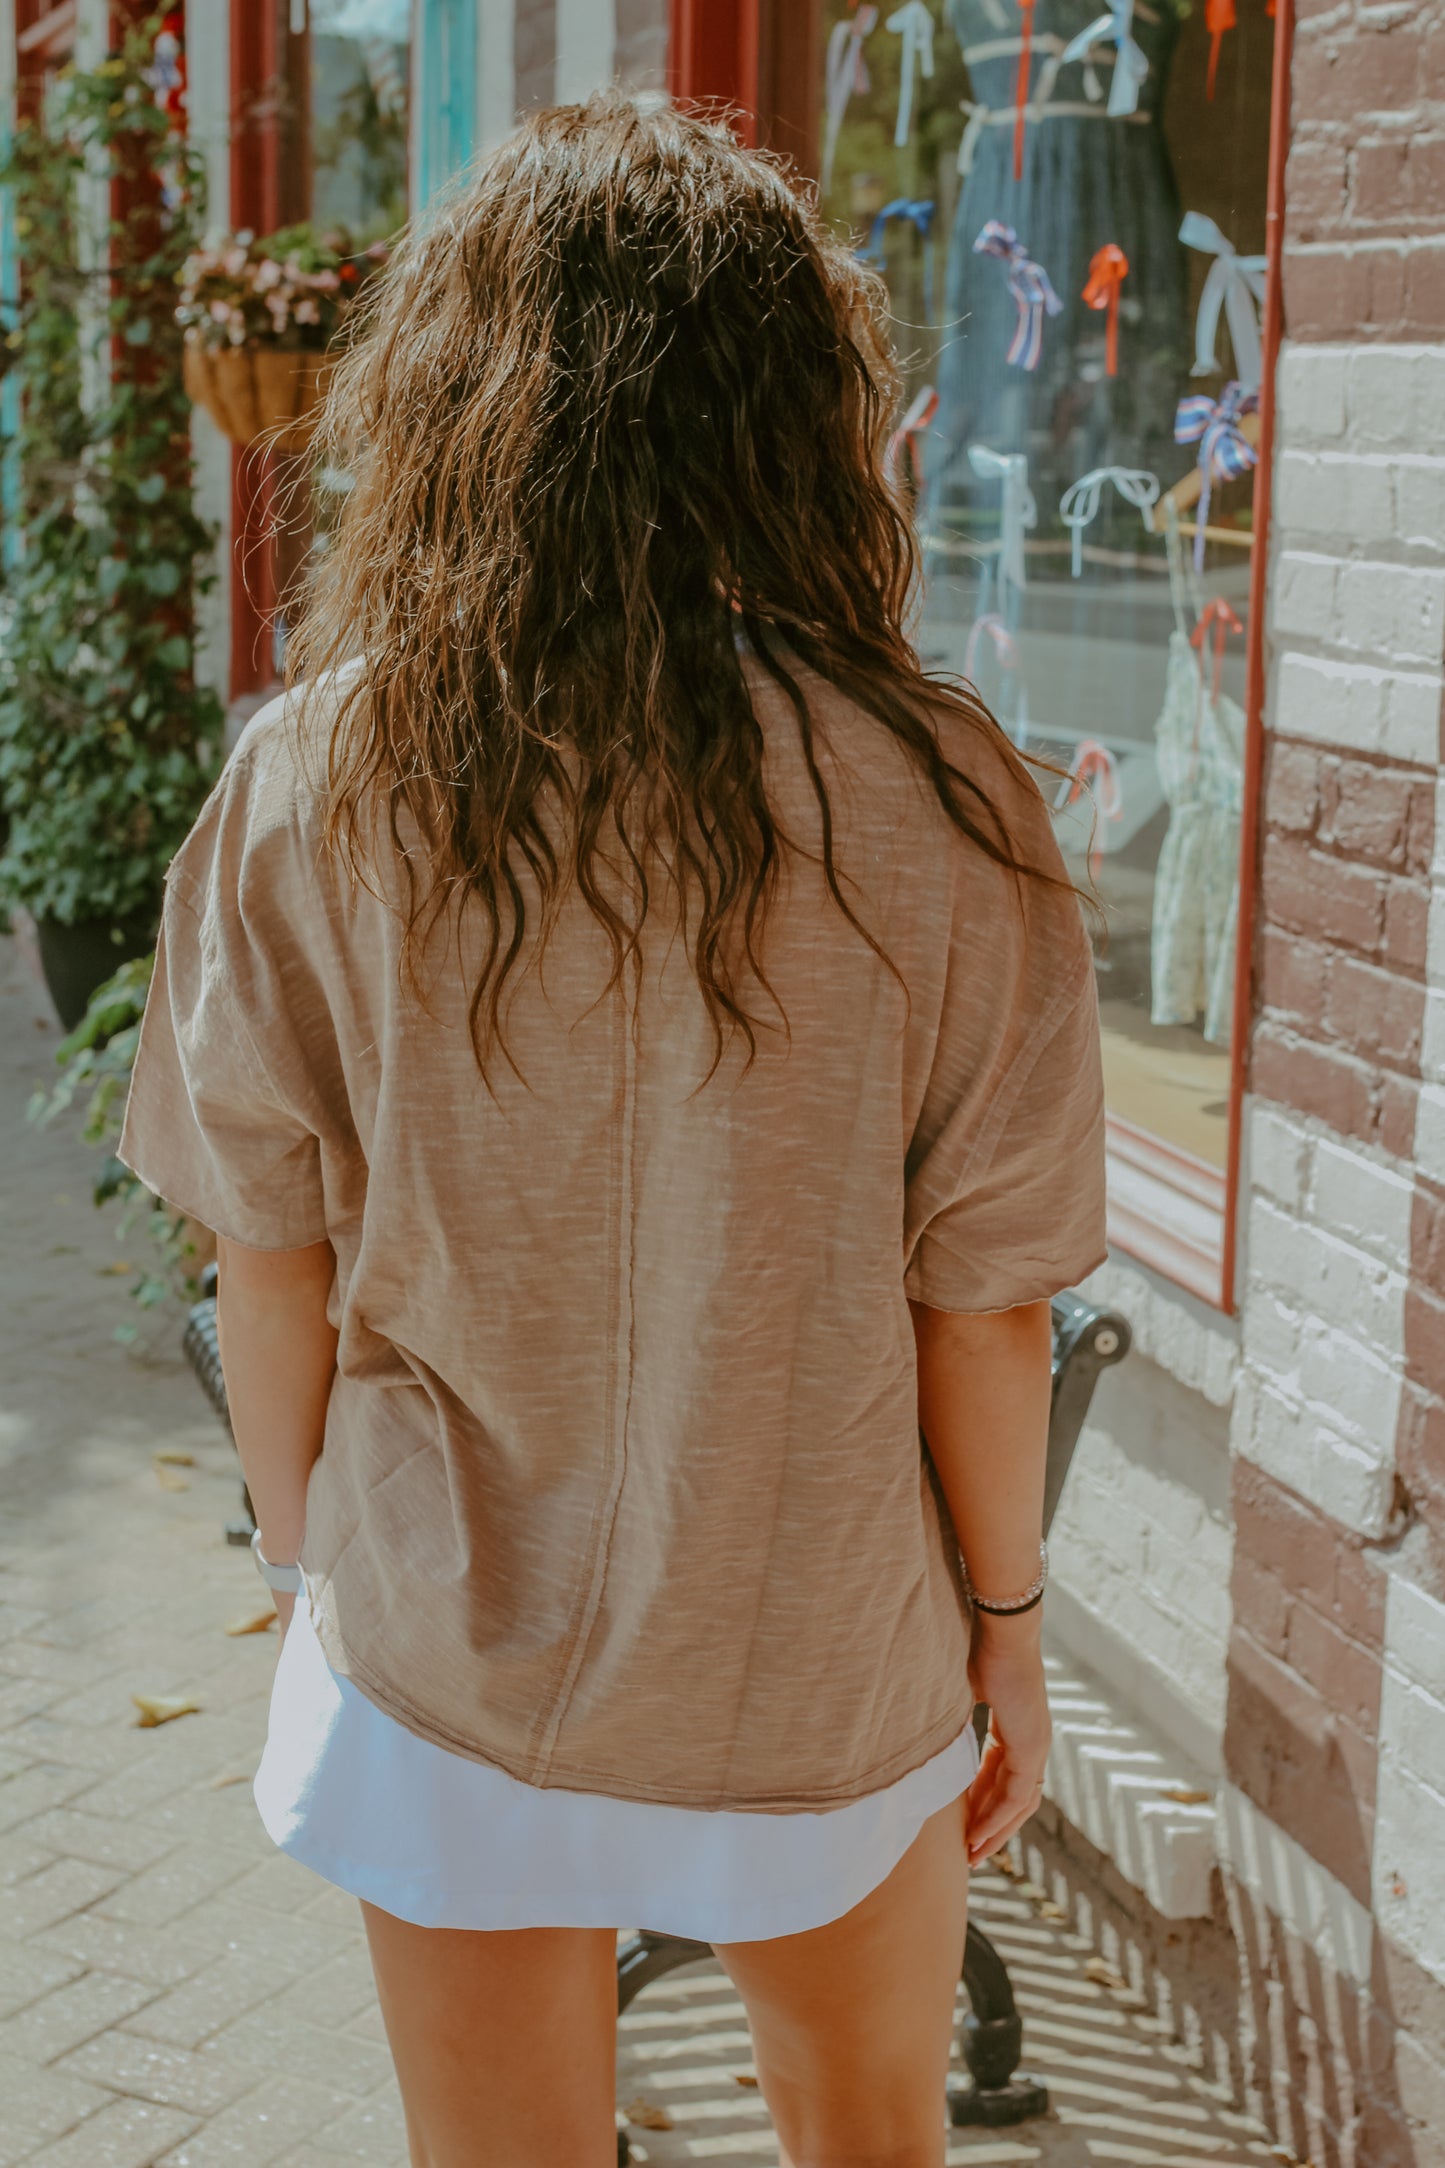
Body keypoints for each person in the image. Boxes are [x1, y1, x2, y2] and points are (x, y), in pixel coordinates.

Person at [120, 95, 1106, 2168]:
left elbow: (266, 1256)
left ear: (460, 395)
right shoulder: (946, 799)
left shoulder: (321, 774)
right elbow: (985, 1314)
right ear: (794, 410)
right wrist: (1007, 1643)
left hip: (449, 1642)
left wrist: (309, 1556)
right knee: (870, 2139)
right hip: (823, 1644)